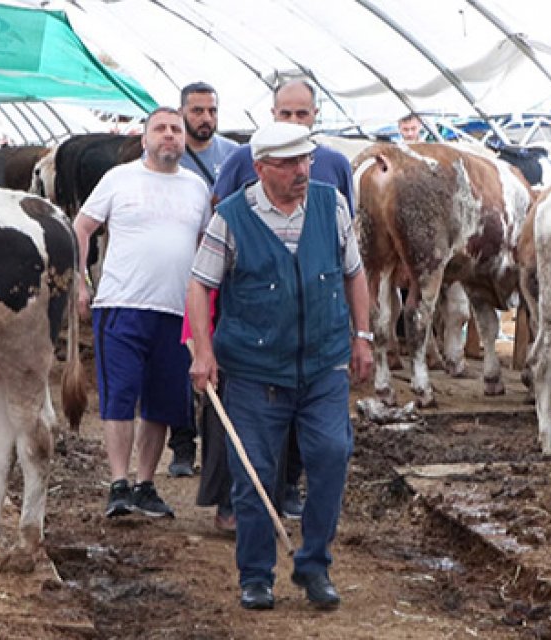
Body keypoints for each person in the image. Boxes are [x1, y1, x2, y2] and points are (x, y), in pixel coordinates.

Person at [187, 121, 374, 611]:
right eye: (289, 162)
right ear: (261, 167)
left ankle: (314, 564)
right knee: (253, 477)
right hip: (253, 371)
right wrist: (203, 351)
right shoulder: (230, 217)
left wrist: (364, 337)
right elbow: (199, 287)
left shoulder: (331, 205)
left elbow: (355, 274)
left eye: (306, 159)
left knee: (332, 455)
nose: (302, 170)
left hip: (323, 365)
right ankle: (256, 575)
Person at [212, 79, 355, 522]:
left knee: (310, 417)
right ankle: (233, 499)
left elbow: (348, 247)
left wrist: (356, 327)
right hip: (252, 317)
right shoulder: (242, 158)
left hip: (315, 321)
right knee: (244, 415)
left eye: (302, 114)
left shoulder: (335, 165)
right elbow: (220, 226)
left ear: (316, 116)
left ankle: (289, 486)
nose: (294, 121)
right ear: (272, 115)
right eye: (285, 114)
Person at [73, 107, 210, 520]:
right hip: (121, 305)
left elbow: (206, 244)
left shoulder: (197, 188)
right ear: (145, 137)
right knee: (120, 396)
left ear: (184, 139)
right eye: (160, 129)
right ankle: (118, 483)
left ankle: (146, 484)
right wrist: (81, 281)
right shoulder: (120, 179)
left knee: (162, 403)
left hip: (176, 310)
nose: (169, 136)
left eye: (176, 130)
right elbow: (81, 228)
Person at [169, 81, 241, 481]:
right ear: (182, 113)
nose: (206, 119)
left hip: (222, 275)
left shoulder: (231, 155)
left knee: (216, 358)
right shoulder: (169, 157)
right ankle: (182, 444)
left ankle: (218, 446)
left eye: (211, 111)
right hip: (181, 273)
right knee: (184, 357)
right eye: (197, 111)